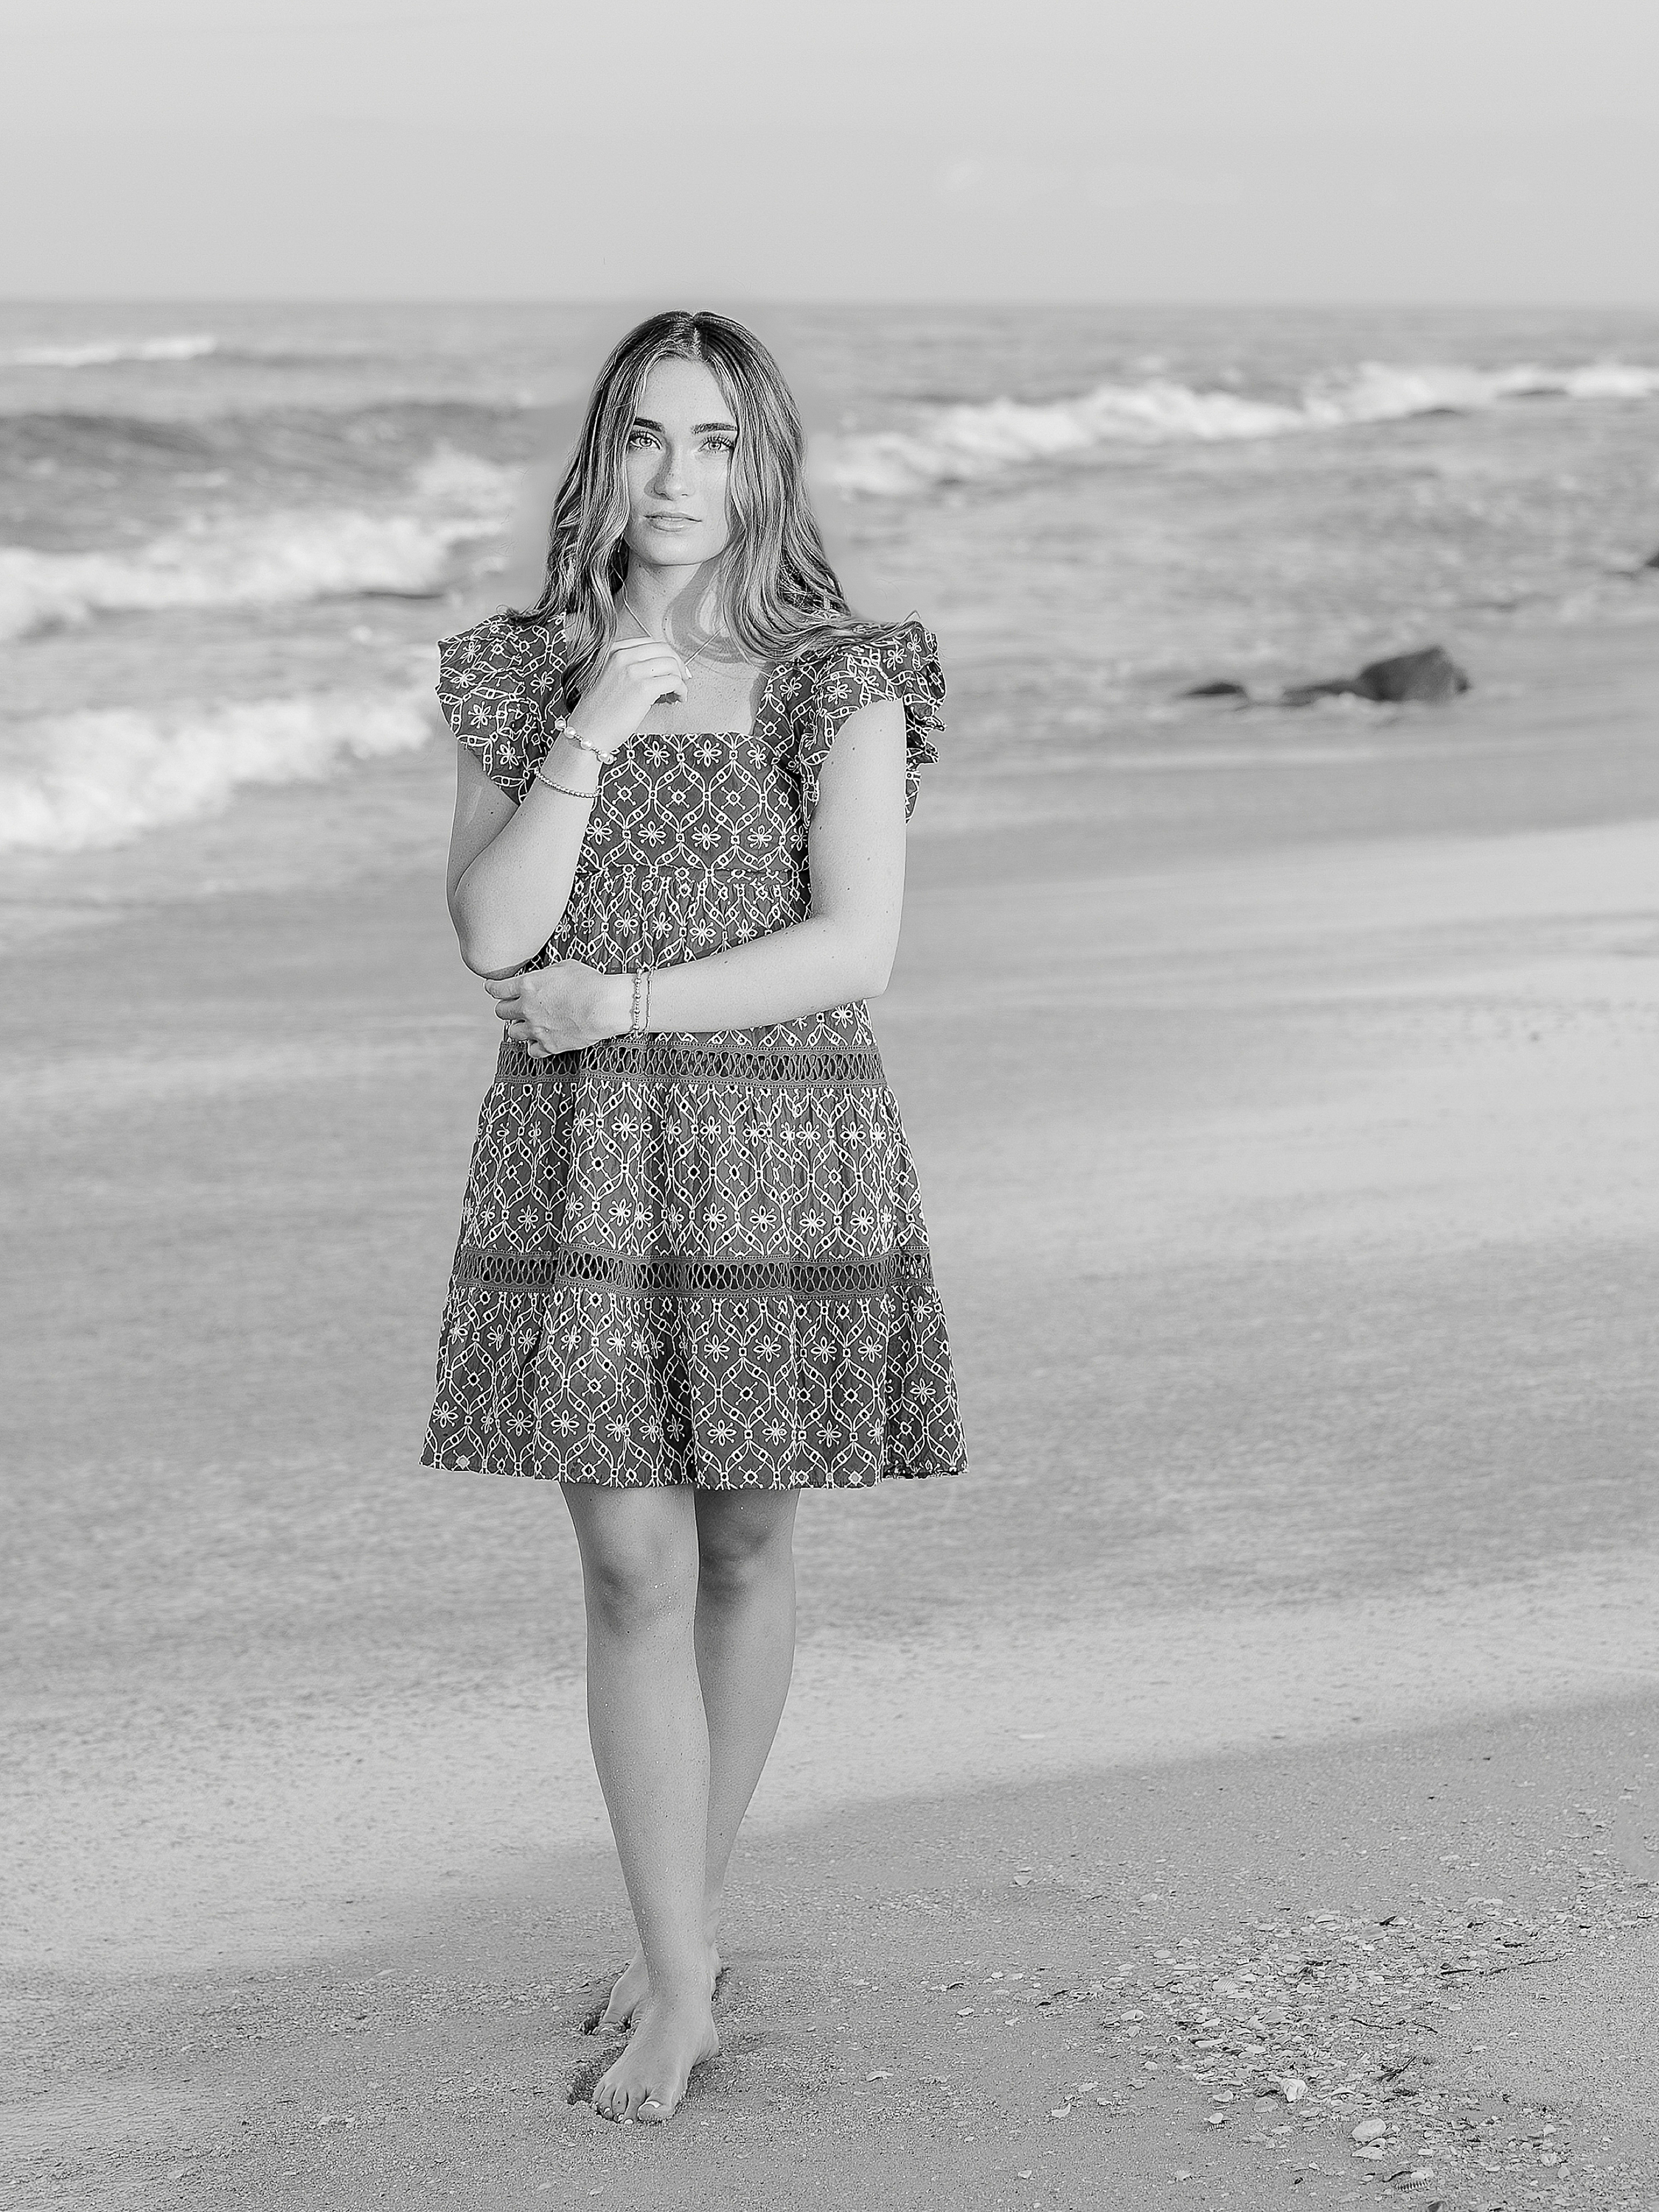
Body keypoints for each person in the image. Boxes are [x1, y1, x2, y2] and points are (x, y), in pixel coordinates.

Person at [422, 309, 965, 2124]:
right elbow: (497, 934)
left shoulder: (841, 673)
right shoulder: (522, 674)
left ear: (766, 463)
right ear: (601, 455)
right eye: (648, 439)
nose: (678, 478)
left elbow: (857, 948)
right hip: (583, 1161)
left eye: (717, 442)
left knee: (741, 1554)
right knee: (629, 1565)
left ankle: (684, 1945)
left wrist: (628, 1006)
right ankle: (678, 1973)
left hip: (775, 1145)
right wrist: (597, 717)